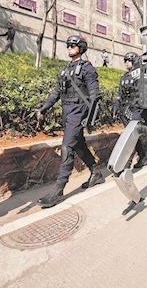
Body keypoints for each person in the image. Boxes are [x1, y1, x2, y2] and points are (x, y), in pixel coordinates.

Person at [36, 35, 103, 207]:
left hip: (78, 112)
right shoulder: (65, 70)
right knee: (78, 145)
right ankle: (96, 173)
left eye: (73, 45)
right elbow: (56, 93)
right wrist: (44, 108)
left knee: (67, 147)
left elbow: (95, 95)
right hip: (67, 113)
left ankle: (58, 190)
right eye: (68, 45)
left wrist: (90, 117)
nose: (69, 48)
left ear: (81, 48)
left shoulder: (87, 69)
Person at [113, 52, 147, 169]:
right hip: (124, 109)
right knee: (132, 135)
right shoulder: (123, 77)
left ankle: (126, 164)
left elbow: (142, 94)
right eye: (125, 60)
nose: (127, 62)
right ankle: (142, 156)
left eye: (129, 60)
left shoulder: (140, 76)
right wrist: (116, 106)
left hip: (135, 110)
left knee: (130, 136)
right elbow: (119, 94)